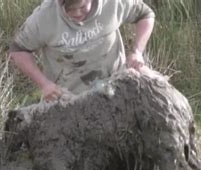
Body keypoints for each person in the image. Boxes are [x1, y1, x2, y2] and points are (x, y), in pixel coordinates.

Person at [9, 0, 155, 102]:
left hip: (114, 90)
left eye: (83, 7)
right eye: (69, 10)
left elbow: (146, 15)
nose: (77, 14)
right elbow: (18, 50)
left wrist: (137, 51)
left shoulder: (113, 3)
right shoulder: (45, 17)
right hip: (68, 100)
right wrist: (44, 84)